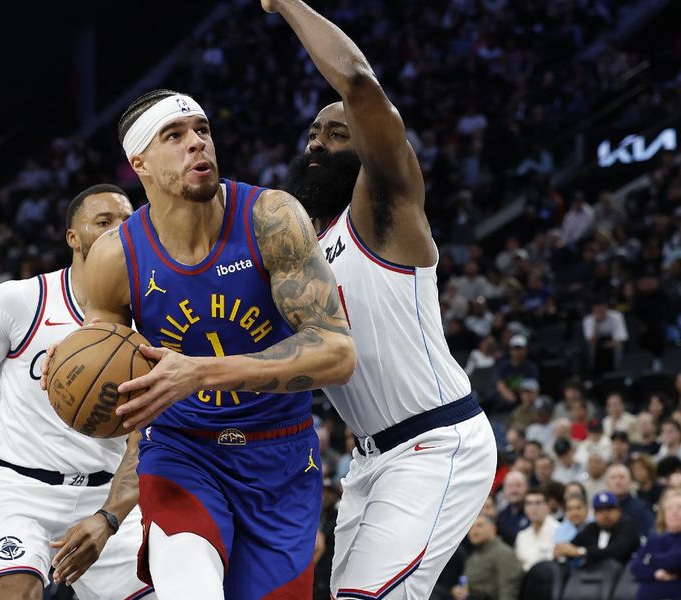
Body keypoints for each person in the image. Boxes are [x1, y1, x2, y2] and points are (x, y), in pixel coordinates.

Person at [61, 86, 356, 599]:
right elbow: (133, 400)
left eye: (202, 130)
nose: (196, 143)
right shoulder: (114, 257)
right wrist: (112, 514)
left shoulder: (271, 218)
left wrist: (199, 372)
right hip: (182, 454)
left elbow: (337, 352)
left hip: (279, 459)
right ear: (140, 163)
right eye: (174, 136)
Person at [268, 0, 497, 596]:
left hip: (435, 441)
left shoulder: (383, 212)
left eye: (337, 133)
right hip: (367, 462)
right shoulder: (301, 250)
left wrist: (284, 4)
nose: (317, 144)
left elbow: (359, 83)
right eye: (313, 134)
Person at [0, 185, 149, 600]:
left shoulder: (150, 321)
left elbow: (146, 439)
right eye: (104, 222)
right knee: (17, 592)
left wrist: (110, 518)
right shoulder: (20, 301)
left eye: (128, 222)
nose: (119, 231)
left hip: (106, 495)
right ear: (73, 237)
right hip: (16, 488)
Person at [554, 491, 641, 565]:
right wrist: (563, 551)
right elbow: (572, 547)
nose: (605, 514)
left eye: (609, 509)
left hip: (623, 577)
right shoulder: (592, 528)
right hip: (594, 577)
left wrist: (581, 552)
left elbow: (614, 552)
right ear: (594, 514)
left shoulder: (627, 527)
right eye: (600, 511)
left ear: (619, 511)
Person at [451, 515, 522, 600]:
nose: (474, 531)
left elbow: (508, 591)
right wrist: (456, 592)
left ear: (493, 528)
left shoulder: (504, 553)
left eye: (479, 526)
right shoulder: (473, 555)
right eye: (471, 527)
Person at [630, 490, 681, 600]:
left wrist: (652, 560)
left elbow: (675, 560)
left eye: (679, 507)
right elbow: (635, 565)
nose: (674, 512)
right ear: (663, 515)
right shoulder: (654, 539)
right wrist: (655, 573)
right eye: (669, 509)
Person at [514, 488, 560, 571]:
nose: (533, 508)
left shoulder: (559, 530)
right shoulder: (521, 536)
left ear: (548, 505)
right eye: (529, 503)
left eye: (538, 503)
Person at [605, 463, 655, 537]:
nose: (618, 482)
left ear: (630, 482)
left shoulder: (641, 508)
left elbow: (650, 535)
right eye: (613, 478)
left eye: (622, 477)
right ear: (607, 483)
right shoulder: (601, 509)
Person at [497, 471, 530, 546]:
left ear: (527, 488)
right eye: (510, 486)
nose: (514, 490)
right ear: (504, 490)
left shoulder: (534, 511)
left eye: (518, 486)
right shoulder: (501, 516)